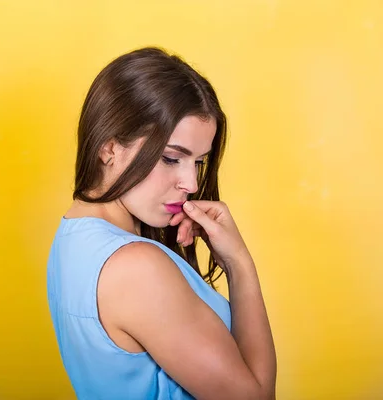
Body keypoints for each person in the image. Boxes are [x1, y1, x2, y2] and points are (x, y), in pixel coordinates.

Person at [46, 47, 277, 400]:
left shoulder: (72, 239)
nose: (192, 184)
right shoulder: (135, 268)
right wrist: (238, 263)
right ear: (109, 147)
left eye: (198, 162)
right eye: (171, 158)